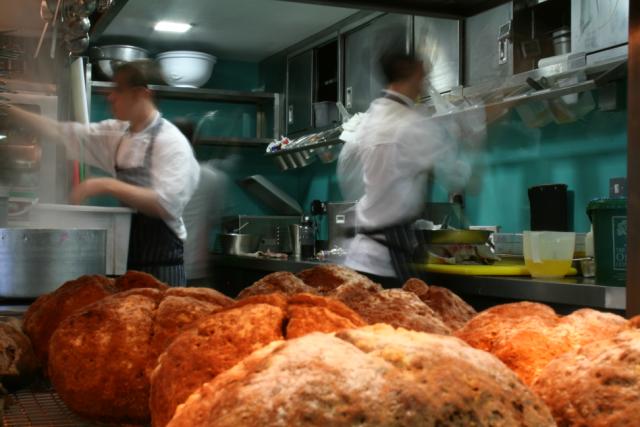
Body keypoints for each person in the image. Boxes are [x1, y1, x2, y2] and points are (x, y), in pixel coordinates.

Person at [5, 62, 200, 285]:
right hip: (127, 264)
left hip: (162, 268)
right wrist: (9, 108)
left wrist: (105, 185)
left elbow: (165, 202)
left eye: (118, 89)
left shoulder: (171, 142)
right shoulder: (118, 134)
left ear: (141, 94)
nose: (110, 96)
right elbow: (62, 132)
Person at [342, 52, 490, 281]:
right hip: (388, 262)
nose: (426, 80)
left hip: (360, 256)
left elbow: (348, 172)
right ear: (416, 71)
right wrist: (475, 137)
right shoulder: (411, 124)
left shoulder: (370, 118)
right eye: (425, 73)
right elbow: (459, 180)